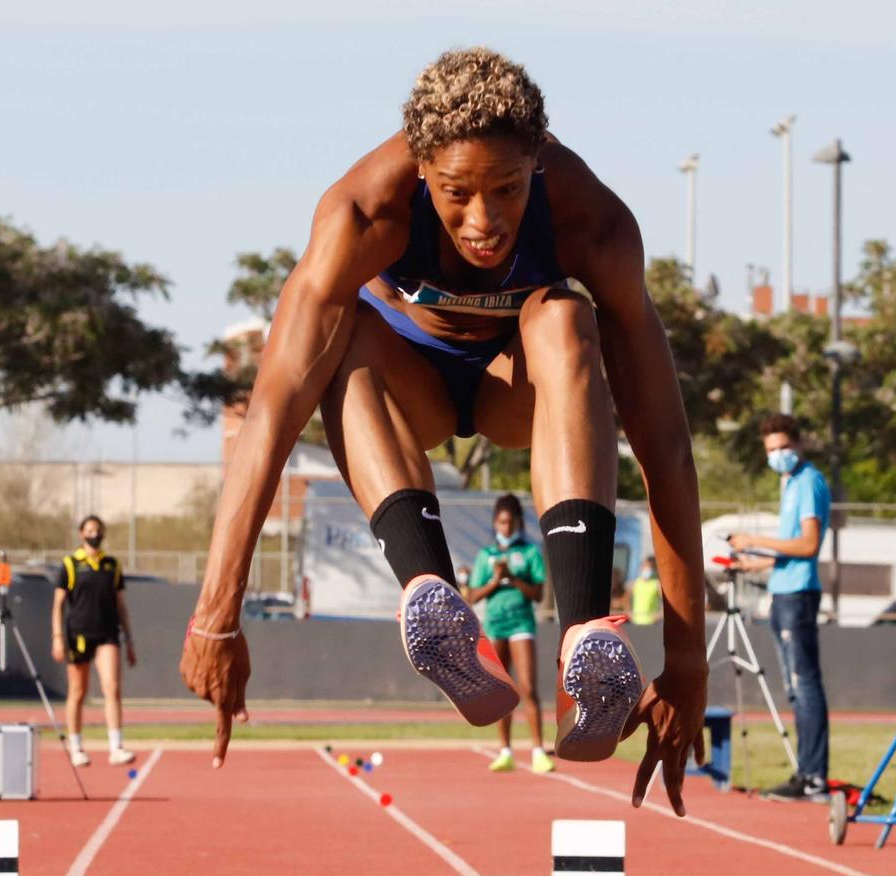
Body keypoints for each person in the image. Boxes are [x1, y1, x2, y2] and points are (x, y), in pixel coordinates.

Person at [180, 47, 707, 812]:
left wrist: (687, 657)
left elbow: (666, 444)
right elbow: (271, 413)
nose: (484, 221)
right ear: (423, 168)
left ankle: (585, 629)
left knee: (566, 316)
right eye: (459, 193)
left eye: (507, 189)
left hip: (517, 389)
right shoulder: (362, 213)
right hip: (409, 391)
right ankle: (429, 587)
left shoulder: (594, 223)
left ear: (539, 163)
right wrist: (215, 616)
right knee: (347, 333)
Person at [727, 413, 830, 801]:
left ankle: (814, 776)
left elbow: (807, 545)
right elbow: (790, 550)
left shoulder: (808, 482)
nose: (778, 455)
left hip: (798, 595)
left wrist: (756, 538)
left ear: (799, 444)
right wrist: (755, 561)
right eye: (771, 450)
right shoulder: (791, 485)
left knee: (805, 686)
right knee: (794, 687)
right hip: (784, 589)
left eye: (784, 447)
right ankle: (806, 771)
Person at [467, 493, 554, 773]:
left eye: (511, 522)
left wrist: (512, 578)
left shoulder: (529, 552)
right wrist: (495, 579)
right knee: (502, 690)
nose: (506, 528)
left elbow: (538, 593)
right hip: (495, 624)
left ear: (518, 522)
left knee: (527, 686)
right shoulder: (486, 555)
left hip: (521, 623)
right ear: (495, 523)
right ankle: (505, 750)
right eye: (501, 522)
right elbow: (473, 595)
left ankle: (538, 749)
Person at [53, 515, 138, 767]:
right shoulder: (70, 564)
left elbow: (121, 604)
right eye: (89, 530)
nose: (94, 534)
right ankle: (76, 747)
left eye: (98, 529)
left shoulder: (112, 565)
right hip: (78, 634)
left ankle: (116, 747)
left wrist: (130, 639)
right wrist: (57, 637)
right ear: (81, 534)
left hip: (108, 634)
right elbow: (58, 604)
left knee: (112, 688)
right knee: (78, 692)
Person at [628, 555, 662, 626]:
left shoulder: (656, 584)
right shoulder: (634, 583)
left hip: (651, 624)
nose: (646, 569)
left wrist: (660, 614)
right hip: (635, 622)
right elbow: (627, 600)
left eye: (649, 567)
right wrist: (629, 613)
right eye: (645, 566)